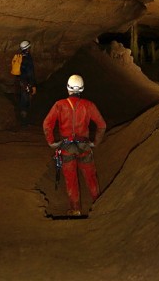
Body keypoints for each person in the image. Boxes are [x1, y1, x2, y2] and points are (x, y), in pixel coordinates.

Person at [43, 74, 106, 216]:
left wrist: (52, 142)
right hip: (84, 146)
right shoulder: (89, 105)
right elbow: (102, 125)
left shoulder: (59, 105)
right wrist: (95, 142)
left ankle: (75, 208)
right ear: (82, 89)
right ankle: (99, 204)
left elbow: (47, 124)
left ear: (68, 88)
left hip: (66, 147)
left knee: (70, 179)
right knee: (90, 177)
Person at [14, 40, 37, 125]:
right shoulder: (28, 58)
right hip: (26, 82)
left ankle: (21, 116)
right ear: (27, 48)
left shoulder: (19, 56)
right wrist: (33, 85)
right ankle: (23, 120)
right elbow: (30, 73)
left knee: (21, 98)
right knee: (26, 99)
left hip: (19, 81)